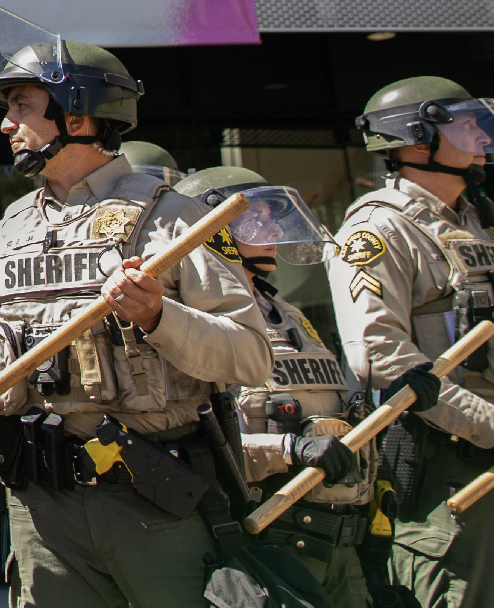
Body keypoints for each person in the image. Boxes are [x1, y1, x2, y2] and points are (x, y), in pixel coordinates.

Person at [0, 4, 271, 608]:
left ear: (79, 112)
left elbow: (251, 357)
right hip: (38, 508)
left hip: (148, 500)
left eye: (22, 107)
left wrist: (160, 317)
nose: (6, 125)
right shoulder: (8, 229)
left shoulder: (172, 218)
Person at [328, 76, 494, 608]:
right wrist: (488, 425)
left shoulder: (473, 221)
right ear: (417, 138)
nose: (482, 135)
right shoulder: (379, 229)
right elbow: (379, 356)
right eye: (465, 124)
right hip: (441, 460)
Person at [174, 165, 368, 608]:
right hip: (270, 546)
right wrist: (287, 451)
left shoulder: (290, 314)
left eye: (274, 217)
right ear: (214, 230)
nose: (274, 229)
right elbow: (189, 444)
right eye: (256, 218)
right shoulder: (196, 323)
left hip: (339, 537)